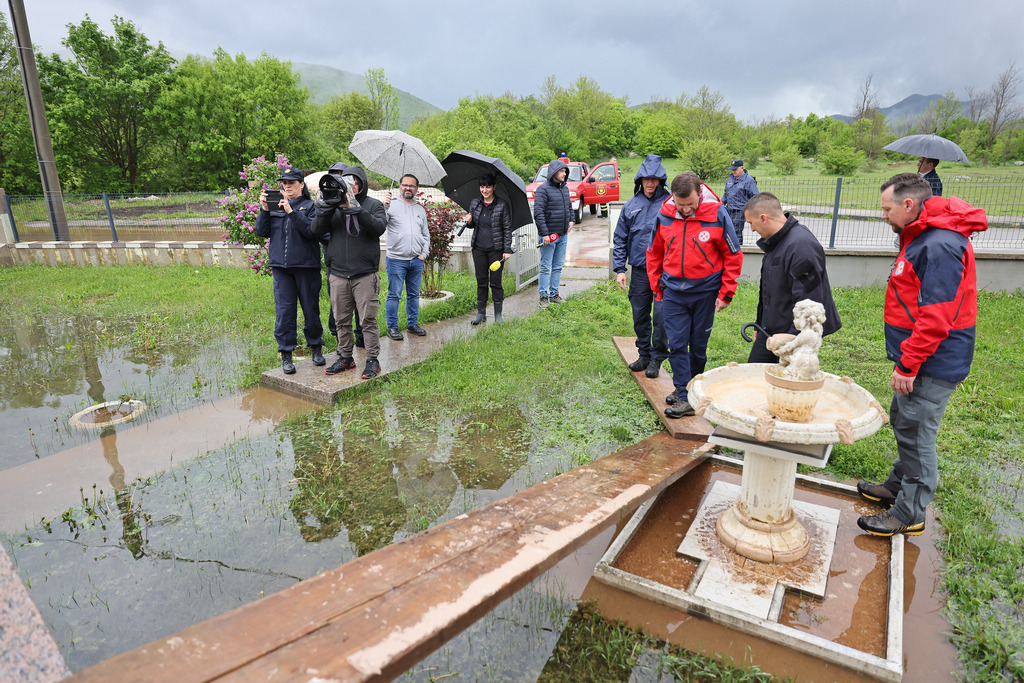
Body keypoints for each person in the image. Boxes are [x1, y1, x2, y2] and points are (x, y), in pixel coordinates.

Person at [857, 172, 987, 537]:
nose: (883, 215)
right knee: (904, 421)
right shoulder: (922, 236)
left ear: (908, 205)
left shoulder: (939, 245)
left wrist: (909, 363)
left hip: (931, 361)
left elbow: (937, 315)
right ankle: (898, 487)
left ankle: (909, 513)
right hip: (920, 358)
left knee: (916, 433)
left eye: (887, 209)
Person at [647, 172, 742, 418]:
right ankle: (683, 393)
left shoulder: (717, 214)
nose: (686, 210)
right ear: (672, 199)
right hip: (673, 293)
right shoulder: (665, 214)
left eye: (690, 204)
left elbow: (733, 254)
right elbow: (654, 252)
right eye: (681, 205)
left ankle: (691, 388)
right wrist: (657, 286)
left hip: (705, 293)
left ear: (700, 194)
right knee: (677, 344)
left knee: (698, 347)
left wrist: (726, 292)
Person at [743, 192, 841, 363]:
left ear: (764, 218)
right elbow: (771, 289)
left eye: (751, 223)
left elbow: (811, 300)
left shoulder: (801, 246)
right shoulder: (776, 241)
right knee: (757, 376)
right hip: (771, 328)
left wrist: (793, 337)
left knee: (786, 384)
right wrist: (761, 323)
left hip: (792, 334)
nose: (751, 229)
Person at [311, 165, 388, 379]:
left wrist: (355, 209)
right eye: (346, 182)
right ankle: (346, 358)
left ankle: (372, 360)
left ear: (361, 184)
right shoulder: (332, 206)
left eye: (354, 181)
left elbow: (379, 228)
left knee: (367, 321)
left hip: (364, 274)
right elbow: (315, 230)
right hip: (337, 275)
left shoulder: (373, 205)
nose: (350, 185)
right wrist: (326, 207)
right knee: (341, 320)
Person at [255, 167, 324, 375]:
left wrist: (291, 212)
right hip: (281, 269)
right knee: (285, 313)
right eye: (284, 183)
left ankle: (316, 348)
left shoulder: (311, 207)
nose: (286, 186)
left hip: (306, 268)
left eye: (291, 183)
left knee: (311, 309)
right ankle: (286, 354)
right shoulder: (275, 207)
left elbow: (312, 231)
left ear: (301, 185)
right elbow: (261, 231)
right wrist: (265, 209)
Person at [612, 154, 671, 378]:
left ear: (660, 181)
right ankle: (644, 353)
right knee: (640, 315)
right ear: (640, 179)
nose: (650, 183)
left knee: (662, 317)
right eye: (646, 178)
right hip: (639, 271)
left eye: (654, 179)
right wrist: (619, 269)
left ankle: (657, 357)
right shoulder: (631, 205)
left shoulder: (670, 204)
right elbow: (620, 238)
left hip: (665, 272)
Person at [381, 174, 429, 340]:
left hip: (416, 260)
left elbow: (425, 234)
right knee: (394, 294)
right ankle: (393, 327)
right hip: (396, 260)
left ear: (416, 188)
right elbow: (380, 225)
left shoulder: (420, 209)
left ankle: (412, 324)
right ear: (400, 186)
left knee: (414, 295)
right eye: (405, 185)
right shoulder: (391, 205)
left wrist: (424, 253)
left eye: (412, 186)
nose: (408, 188)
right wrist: (384, 207)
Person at [462, 173, 513, 325]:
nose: (484, 190)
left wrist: (507, 249)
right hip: (478, 249)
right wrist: (469, 221)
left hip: (496, 250)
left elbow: (507, 228)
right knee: (481, 281)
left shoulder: (502, 205)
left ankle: (498, 316)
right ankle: (481, 314)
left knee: (496, 282)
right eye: (482, 187)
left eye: (488, 187)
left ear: (494, 187)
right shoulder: (475, 203)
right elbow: (473, 225)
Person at [323, 162, 364, 350]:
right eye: (334, 175)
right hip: (335, 262)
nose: (338, 180)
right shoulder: (329, 200)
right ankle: (338, 337)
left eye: (342, 175)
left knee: (358, 303)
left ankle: (360, 334)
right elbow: (318, 229)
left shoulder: (359, 201)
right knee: (338, 303)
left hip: (358, 264)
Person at [534, 157, 574, 307]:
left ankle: (554, 293)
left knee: (557, 266)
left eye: (565, 171)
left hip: (562, 235)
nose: (564, 174)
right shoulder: (543, 190)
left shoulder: (564, 188)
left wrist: (571, 219)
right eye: (562, 171)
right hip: (549, 237)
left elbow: (569, 207)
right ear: (554, 172)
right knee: (545, 267)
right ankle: (543, 296)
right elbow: (538, 213)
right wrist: (544, 234)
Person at [723, 159, 758, 245]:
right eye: (732, 169)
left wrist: (751, 210)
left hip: (740, 210)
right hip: (729, 209)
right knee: (728, 230)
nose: (733, 171)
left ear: (742, 168)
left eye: (735, 169)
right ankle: (733, 248)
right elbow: (726, 194)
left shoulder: (749, 180)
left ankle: (737, 249)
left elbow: (755, 196)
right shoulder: (730, 179)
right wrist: (720, 204)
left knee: (736, 231)